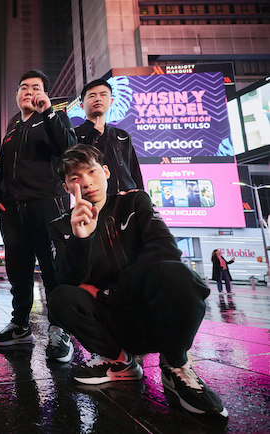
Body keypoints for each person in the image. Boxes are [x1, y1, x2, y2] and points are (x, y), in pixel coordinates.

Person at [49, 144, 227, 420]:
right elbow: (68, 280)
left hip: (153, 315)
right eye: (75, 178)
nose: (86, 182)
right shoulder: (62, 226)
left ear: (106, 172)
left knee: (176, 274)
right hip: (112, 327)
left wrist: (107, 294)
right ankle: (119, 362)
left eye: (91, 171)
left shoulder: (134, 202)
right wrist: (81, 239)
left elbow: (165, 251)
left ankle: (175, 365)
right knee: (60, 297)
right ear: (66, 187)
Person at [0, 70, 77, 362]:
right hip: (14, 211)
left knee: (53, 270)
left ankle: (59, 329)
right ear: (17, 94)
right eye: (24, 87)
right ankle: (20, 325)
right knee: (18, 271)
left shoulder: (55, 118)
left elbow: (69, 149)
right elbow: (2, 170)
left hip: (47, 205)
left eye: (36, 87)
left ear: (45, 93)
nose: (29, 92)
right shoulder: (12, 128)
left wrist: (48, 112)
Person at [75, 79, 143, 194]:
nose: (98, 99)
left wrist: (140, 194)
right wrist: (94, 134)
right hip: (96, 197)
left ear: (111, 101)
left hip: (128, 197)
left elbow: (134, 169)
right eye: (92, 96)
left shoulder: (122, 135)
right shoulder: (74, 134)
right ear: (81, 105)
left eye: (103, 94)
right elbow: (77, 163)